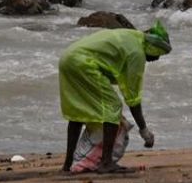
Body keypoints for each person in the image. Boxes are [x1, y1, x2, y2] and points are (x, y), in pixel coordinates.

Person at [58, 22, 170, 174]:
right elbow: (133, 97)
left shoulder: (130, 36)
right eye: (158, 54)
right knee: (113, 106)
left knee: (79, 111)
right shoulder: (136, 52)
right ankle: (106, 162)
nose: (156, 59)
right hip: (84, 63)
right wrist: (144, 130)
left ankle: (67, 165)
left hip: (68, 58)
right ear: (152, 47)